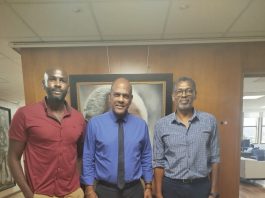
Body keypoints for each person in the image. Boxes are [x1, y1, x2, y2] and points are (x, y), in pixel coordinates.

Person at [8, 68, 85, 198]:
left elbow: (79, 155)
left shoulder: (78, 118)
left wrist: (76, 184)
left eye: (62, 80)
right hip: (40, 194)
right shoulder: (24, 114)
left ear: (68, 86)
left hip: (73, 193)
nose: (57, 83)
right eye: (52, 79)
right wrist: (27, 194)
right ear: (43, 84)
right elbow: (13, 157)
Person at [81, 77, 153, 198]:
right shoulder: (95, 124)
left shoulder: (141, 126)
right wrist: (88, 188)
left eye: (125, 96)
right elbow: (88, 158)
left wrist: (148, 186)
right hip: (104, 190)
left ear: (130, 100)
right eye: (117, 95)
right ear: (110, 97)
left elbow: (146, 157)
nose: (121, 99)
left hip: (134, 190)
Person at [153, 76, 220, 198]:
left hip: (201, 186)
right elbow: (158, 162)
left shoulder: (210, 121)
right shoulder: (161, 125)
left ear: (195, 95)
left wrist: (213, 191)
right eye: (179, 91)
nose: (184, 95)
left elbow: (215, 159)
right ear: (173, 96)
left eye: (189, 91)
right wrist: (158, 193)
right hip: (172, 187)